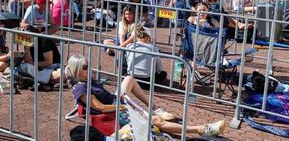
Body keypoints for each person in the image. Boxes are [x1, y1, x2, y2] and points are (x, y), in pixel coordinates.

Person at [66, 55, 225, 136]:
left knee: (129, 79)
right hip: (113, 112)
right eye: (85, 67)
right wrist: (122, 105)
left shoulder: (85, 80)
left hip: (115, 101)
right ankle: (201, 129)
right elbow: (99, 107)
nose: (89, 69)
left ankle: (155, 108)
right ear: (77, 69)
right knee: (156, 122)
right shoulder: (81, 88)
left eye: (88, 65)